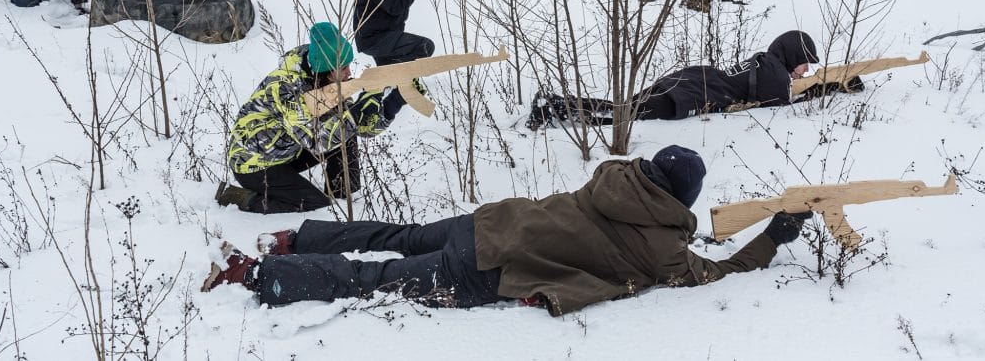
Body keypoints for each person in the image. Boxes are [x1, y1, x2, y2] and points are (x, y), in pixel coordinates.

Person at [201, 145, 812, 316]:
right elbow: (717, 272)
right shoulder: (662, 250)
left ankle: (292, 240)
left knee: (396, 237)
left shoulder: (613, 178)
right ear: (682, 200)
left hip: (489, 221)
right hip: (487, 268)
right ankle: (262, 276)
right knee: (378, 280)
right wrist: (773, 236)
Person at [215, 22, 409, 213]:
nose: (349, 72)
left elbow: (357, 128)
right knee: (313, 204)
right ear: (326, 68)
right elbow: (316, 141)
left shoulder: (325, 81)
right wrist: (356, 113)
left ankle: (342, 197)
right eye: (343, 68)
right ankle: (237, 197)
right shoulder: (285, 87)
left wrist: (394, 101)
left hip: (287, 152)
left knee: (345, 132)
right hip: (253, 162)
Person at [528, 30, 819, 130]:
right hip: (689, 96)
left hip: (689, 79)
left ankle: (557, 104)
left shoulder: (767, 61)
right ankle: (556, 111)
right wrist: (824, 88)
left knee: (624, 106)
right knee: (624, 116)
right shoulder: (777, 76)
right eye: (805, 64)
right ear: (793, 55)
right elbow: (783, 107)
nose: (805, 71)